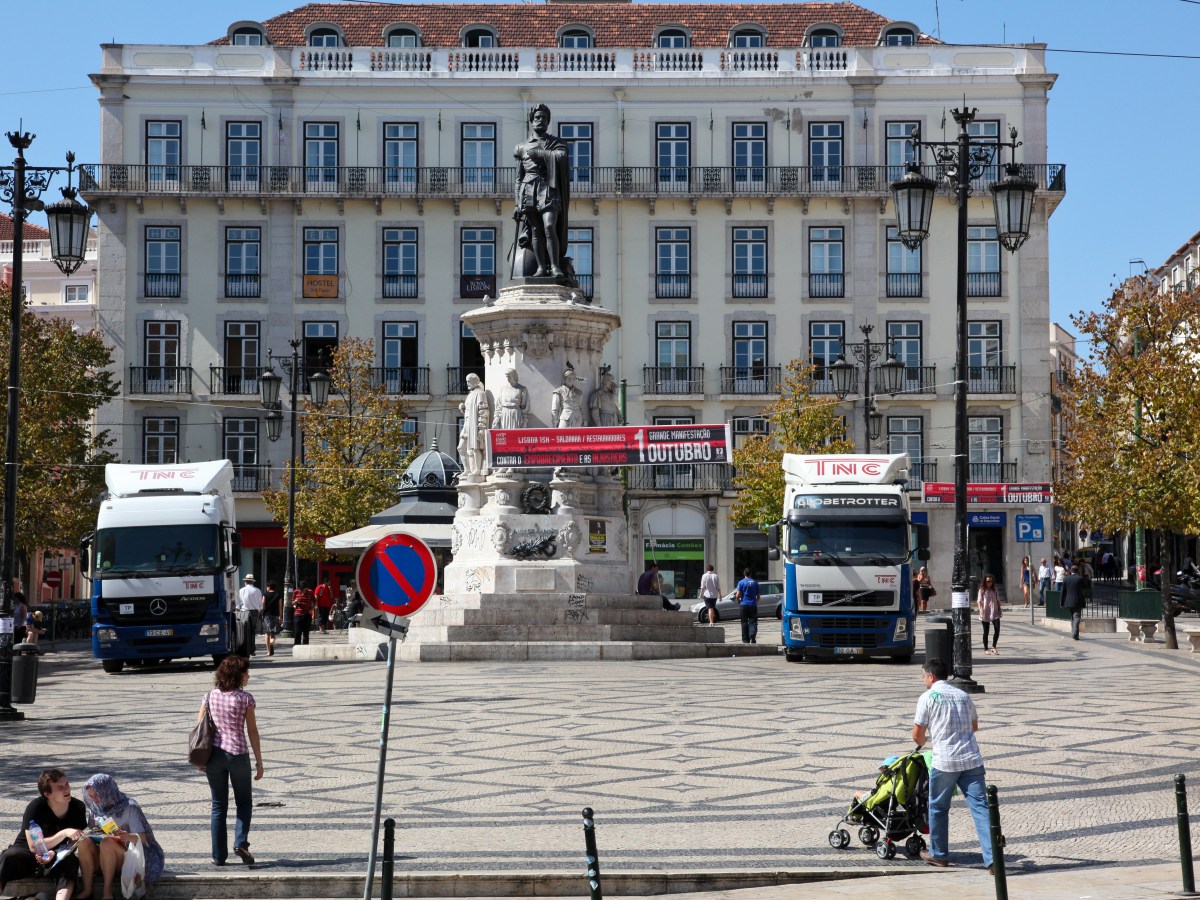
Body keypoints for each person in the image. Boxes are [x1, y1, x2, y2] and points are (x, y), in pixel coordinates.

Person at [912, 658, 993, 872]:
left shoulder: (928, 697)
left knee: (938, 807)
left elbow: (917, 734)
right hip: (971, 758)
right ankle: (993, 858)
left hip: (945, 761)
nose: (923, 679)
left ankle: (939, 854)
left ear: (931, 676)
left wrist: (925, 741)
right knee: (980, 808)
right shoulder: (963, 695)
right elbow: (974, 726)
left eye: (923, 676)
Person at [196, 655, 263, 867]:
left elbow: (200, 727)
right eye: (246, 673)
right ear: (237, 675)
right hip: (238, 755)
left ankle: (218, 856)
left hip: (214, 756)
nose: (248, 676)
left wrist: (201, 758)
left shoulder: (209, 697)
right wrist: (259, 762)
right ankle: (240, 842)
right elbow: (252, 731)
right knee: (244, 802)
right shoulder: (246, 699)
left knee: (218, 806)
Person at [0, 768, 96, 900]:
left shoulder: (77, 807)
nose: (67, 789)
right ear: (47, 794)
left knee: (71, 861)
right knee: (8, 856)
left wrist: (55, 853)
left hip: (56, 853)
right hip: (26, 852)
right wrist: (64, 833)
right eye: (60, 787)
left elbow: (74, 842)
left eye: (67, 784)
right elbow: (33, 847)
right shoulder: (35, 807)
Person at [82, 774, 163, 899]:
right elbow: (92, 830)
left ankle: (107, 892)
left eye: (97, 795)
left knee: (107, 843)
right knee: (84, 842)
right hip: (105, 857)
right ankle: (87, 890)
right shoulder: (95, 809)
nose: (95, 800)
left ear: (106, 791)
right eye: (91, 796)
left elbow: (143, 838)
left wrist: (128, 836)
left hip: (129, 857)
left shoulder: (129, 807)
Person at [512, 102, 570, 278]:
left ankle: (555, 266)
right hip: (528, 189)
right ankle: (541, 268)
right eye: (537, 117)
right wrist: (517, 203)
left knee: (549, 225)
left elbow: (561, 157)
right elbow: (518, 178)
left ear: (548, 121)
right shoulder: (521, 147)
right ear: (531, 121)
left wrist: (541, 154)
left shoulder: (557, 143)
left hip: (548, 188)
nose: (540, 120)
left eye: (544, 118)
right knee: (536, 230)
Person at [457, 373, 492, 479]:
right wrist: (463, 409)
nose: (467, 383)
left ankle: (477, 469)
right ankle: (467, 469)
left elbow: (483, 411)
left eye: (469, 381)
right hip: (467, 425)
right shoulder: (470, 394)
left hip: (475, 426)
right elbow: (469, 411)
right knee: (461, 448)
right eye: (467, 381)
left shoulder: (480, 393)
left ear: (475, 381)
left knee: (475, 448)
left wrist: (481, 428)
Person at [236, 574, 262, 657]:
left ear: (246, 582)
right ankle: (252, 649)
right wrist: (259, 610)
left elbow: (238, 603)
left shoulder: (241, 590)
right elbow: (260, 604)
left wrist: (237, 609)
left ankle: (244, 649)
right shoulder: (257, 590)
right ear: (252, 582)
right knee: (252, 631)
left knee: (244, 631)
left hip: (244, 611)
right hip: (254, 611)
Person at [1060, 563, 1087, 640]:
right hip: (1078, 601)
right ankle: (1075, 633)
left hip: (1069, 601)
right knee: (1076, 617)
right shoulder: (1080, 578)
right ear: (1078, 571)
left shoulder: (1066, 579)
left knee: (1072, 617)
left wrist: (1061, 602)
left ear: (1071, 570)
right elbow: (1086, 587)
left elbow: (1063, 592)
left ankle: (1075, 634)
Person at [977, 573, 1002, 655]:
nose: (989, 583)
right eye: (987, 581)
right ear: (985, 582)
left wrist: (1000, 609)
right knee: (986, 631)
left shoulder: (994, 589)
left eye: (991, 581)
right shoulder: (982, 590)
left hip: (995, 612)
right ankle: (986, 649)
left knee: (997, 629)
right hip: (985, 612)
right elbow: (979, 601)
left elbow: (998, 600)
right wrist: (981, 611)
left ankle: (994, 647)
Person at [735, 568, 760, 645]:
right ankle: (752, 634)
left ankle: (745, 640)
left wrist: (738, 600)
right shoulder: (755, 582)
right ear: (750, 574)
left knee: (744, 622)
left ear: (744, 574)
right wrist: (755, 602)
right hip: (753, 605)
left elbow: (737, 595)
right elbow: (758, 596)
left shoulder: (741, 582)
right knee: (753, 621)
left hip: (744, 604)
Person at [261, 582, 281, 657]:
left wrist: (261, 612)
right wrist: (281, 617)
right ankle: (272, 642)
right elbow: (280, 607)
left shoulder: (265, 594)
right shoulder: (278, 595)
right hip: (275, 615)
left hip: (267, 615)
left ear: (269, 587)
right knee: (273, 632)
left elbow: (262, 604)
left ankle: (268, 651)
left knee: (267, 633)